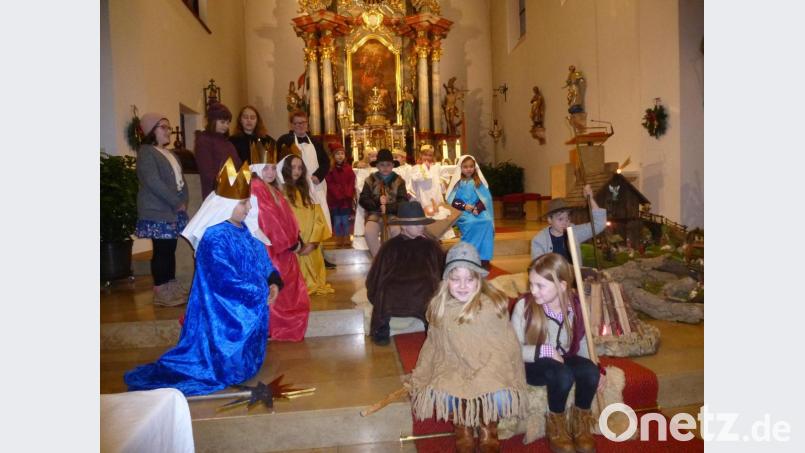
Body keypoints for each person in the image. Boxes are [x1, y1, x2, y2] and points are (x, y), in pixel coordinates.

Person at [125, 158, 282, 395]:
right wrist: (260, 290)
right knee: (226, 368)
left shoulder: (245, 230)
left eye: (248, 203)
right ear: (225, 205)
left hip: (251, 302)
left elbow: (262, 259)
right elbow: (223, 281)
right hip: (224, 315)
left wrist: (273, 281)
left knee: (247, 363)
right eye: (243, 203)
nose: (249, 208)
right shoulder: (214, 237)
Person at [410, 242, 528, 453]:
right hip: (453, 368)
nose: (462, 286)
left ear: (479, 280)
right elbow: (433, 346)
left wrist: (482, 376)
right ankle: (462, 426)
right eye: (455, 279)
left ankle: (487, 426)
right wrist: (421, 375)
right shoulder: (440, 310)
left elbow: (505, 349)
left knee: (500, 398)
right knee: (445, 392)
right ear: (447, 281)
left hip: (489, 369)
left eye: (469, 279)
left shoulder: (493, 308)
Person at [510, 253, 604, 453]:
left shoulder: (577, 306)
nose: (533, 290)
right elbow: (512, 349)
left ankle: (581, 425)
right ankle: (557, 426)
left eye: (540, 285)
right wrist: (544, 350)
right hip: (533, 364)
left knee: (590, 372)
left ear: (562, 285)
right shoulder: (524, 307)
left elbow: (583, 340)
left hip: (565, 357)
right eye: (531, 284)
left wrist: (596, 367)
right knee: (562, 375)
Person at [244, 144, 311, 342]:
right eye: (265, 168)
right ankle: (273, 326)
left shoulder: (272, 188)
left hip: (283, 247)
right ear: (256, 169)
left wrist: (295, 239)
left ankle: (278, 325)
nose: (271, 172)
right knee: (276, 288)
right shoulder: (256, 188)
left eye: (273, 167)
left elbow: (287, 217)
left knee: (288, 288)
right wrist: (290, 244)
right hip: (271, 249)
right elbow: (268, 221)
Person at [365, 201, 444, 346]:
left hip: (424, 286)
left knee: (430, 289)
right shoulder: (390, 246)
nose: (421, 227)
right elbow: (377, 272)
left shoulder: (431, 245)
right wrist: (375, 287)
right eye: (416, 224)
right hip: (395, 287)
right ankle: (382, 328)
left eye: (421, 223)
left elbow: (441, 268)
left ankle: (431, 327)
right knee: (385, 289)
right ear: (403, 225)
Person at [134, 113, 190, 306]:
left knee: (170, 249)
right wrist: (176, 201)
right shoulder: (146, 152)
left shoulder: (171, 154)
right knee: (162, 250)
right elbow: (153, 182)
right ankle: (160, 290)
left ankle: (170, 285)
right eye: (163, 127)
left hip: (173, 210)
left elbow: (180, 181)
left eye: (168, 127)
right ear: (151, 130)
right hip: (157, 210)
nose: (169, 131)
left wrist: (184, 200)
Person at [277, 110, 335, 268]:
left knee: (319, 219)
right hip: (295, 186)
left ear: (307, 123)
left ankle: (320, 256)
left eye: (303, 123)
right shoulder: (285, 140)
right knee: (301, 221)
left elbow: (325, 162)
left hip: (315, 185)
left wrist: (318, 176)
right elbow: (281, 163)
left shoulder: (315, 141)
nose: (300, 126)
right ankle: (298, 255)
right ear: (291, 124)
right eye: (296, 123)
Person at [277, 154, 334, 296]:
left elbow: (318, 217)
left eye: (300, 168)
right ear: (285, 169)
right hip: (294, 244)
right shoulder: (280, 192)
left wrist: (313, 242)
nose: (296, 171)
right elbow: (280, 221)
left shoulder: (307, 191)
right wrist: (296, 243)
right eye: (293, 167)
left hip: (310, 241)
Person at [530, 184, 606, 264]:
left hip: (573, 275)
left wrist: (590, 199)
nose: (565, 223)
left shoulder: (574, 232)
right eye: (560, 219)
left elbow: (599, 224)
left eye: (567, 218)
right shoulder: (539, 240)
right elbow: (537, 267)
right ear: (549, 219)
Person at [446, 155, 495, 267]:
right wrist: (464, 206)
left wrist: (478, 208)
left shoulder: (478, 181)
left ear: (475, 167)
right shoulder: (458, 183)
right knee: (471, 223)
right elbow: (451, 200)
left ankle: (484, 258)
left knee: (487, 221)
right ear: (460, 168)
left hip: (477, 210)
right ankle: (468, 255)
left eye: (471, 166)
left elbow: (485, 198)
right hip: (462, 212)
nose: (468, 169)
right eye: (465, 167)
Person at [358, 148, 408, 257]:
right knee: (369, 231)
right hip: (375, 215)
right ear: (377, 166)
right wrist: (377, 202)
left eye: (388, 165)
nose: (385, 168)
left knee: (395, 231)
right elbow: (363, 199)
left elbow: (403, 201)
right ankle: (378, 260)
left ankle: (392, 260)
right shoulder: (370, 179)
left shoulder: (399, 181)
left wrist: (388, 208)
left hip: (392, 216)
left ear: (392, 165)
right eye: (382, 165)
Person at [195, 102, 241, 199]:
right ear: (213, 121)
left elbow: (237, 165)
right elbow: (207, 171)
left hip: (232, 190)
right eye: (222, 122)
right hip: (215, 192)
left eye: (228, 123)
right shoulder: (204, 140)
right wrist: (222, 187)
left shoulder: (228, 143)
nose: (226, 126)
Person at [325, 143, 356, 248]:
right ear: (333, 156)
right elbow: (330, 183)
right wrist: (338, 193)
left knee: (346, 221)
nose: (340, 156)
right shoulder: (330, 170)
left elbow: (351, 182)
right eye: (337, 154)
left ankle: (347, 240)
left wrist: (347, 193)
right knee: (338, 222)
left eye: (342, 153)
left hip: (346, 201)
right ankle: (338, 240)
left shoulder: (348, 169)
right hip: (335, 201)